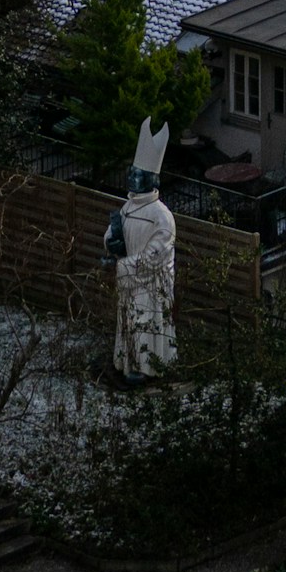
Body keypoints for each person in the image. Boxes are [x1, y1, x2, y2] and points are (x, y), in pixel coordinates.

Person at [104, 113, 178, 378]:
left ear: (152, 179)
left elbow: (152, 259)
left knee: (146, 326)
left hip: (149, 287)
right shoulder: (128, 207)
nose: (132, 178)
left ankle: (149, 369)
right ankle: (128, 364)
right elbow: (114, 233)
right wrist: (111, 243)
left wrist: (120, 264)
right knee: (129, 326)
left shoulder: (162, 217)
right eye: (132, 173)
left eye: (138, 174)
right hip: (130, 282)